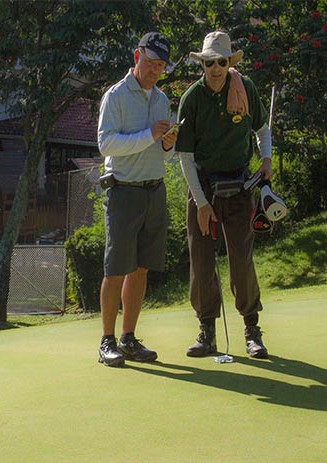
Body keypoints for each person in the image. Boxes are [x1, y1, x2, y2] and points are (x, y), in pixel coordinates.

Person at [175, 31, 272, 359]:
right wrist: (201, 204)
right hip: (202, 186)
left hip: (239, 186)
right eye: (209, 62)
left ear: (229, 62)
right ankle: (207, 332)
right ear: (202, 64)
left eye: (221, 62)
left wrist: (267, 159)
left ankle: (252, 330)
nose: (215, 68)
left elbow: (262, 130)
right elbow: (185, 157)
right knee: (202, 262)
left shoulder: (246, 89)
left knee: (241, 261)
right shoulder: (191, 99)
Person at [96, 32, 179, 367]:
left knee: (141, 268)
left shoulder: (162, 100)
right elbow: (106, 145)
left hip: (154, 190)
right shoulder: (115, 96)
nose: (155, 71)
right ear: (137, 56)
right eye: (151, 63)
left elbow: (163, 153)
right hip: (123, 191)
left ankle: (128, 339)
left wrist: (168, 143)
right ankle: (107, 342)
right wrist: (150, 135)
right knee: (116, 269)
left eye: (161, 66)